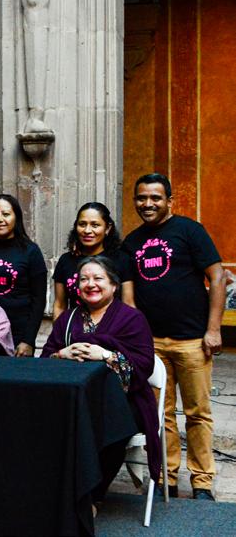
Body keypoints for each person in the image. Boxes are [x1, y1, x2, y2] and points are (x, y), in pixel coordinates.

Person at [122, 173, 224, 501]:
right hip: (151, 343)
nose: (147, 204)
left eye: (155, 198)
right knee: (159, 415)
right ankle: (167, 477)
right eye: (141, 198)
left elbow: (217, 277)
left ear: (170, 201)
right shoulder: (132, 242)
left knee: (198, 413)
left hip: (192, 340)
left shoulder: (189, 231)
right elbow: (129, 298)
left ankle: (202, 481)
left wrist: (213, 329)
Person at [41, 256, 160, 504]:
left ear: (114, 285)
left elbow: (144, 365)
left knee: (112, 425)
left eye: (98, 278)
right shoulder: (67, 320)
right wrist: (62, 354)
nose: (90, 284)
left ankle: (91, 496)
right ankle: (56, 493)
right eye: (84, 279)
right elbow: (43, 365)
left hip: (124, 400)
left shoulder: (132, 318)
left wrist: (105, 355)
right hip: (75, 398)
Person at [0, 194, 47, 357]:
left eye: (5, 214)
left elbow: (39, 300)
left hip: (17, 332)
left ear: (16, 217)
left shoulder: (30, 251)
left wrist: (28, 340)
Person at [52, 202, 133, 319]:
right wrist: (58, 330)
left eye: (95, 225)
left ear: (107, 228)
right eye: (82, 224)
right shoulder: (66, 261)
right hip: (76, 327)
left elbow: (128, 304)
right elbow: (59, 305)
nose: (87, 230)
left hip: (113, 327)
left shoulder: (121, 259)